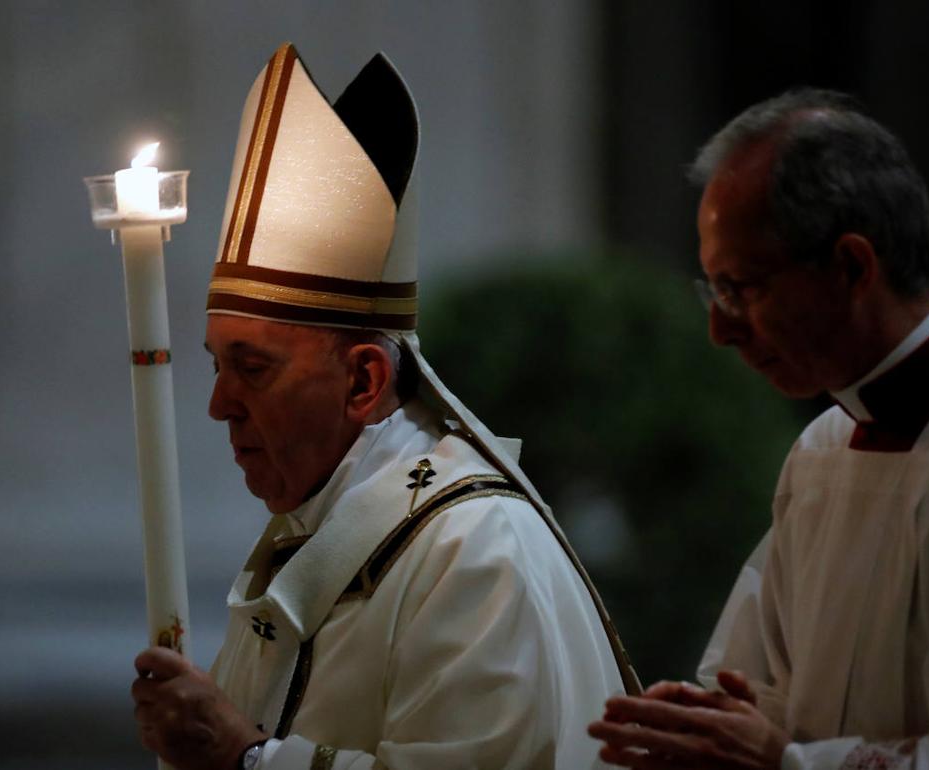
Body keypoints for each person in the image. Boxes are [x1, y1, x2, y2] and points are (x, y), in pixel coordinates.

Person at [129, 43, 638, 770]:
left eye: (253, 368)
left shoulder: (474, 552)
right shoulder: (317, 528)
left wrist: (243, 759)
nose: (218, 406)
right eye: (217, 364)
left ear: (364, 382)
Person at [588, 89, 929, 769]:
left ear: (853, 266)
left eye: (741, 288)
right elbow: (756, 688)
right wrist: (701, 730)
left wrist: (781, 763)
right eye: (714, 291)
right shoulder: (822, 450)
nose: (719, 329)